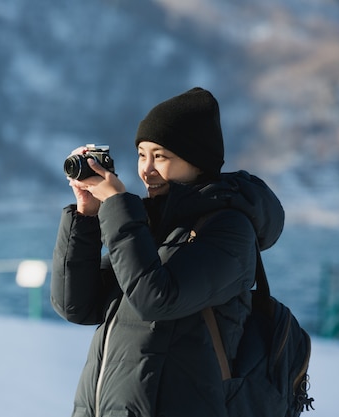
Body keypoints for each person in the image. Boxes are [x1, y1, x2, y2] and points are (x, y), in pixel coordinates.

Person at [50, 87, 285, 417]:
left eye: (160, 156)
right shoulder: (148, 224)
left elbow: (154, 298)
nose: (146, 170)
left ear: (197, 161)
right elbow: (76, 305)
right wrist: (87, 217)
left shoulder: (229, 230)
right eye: (141, 155)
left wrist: (118, 207)